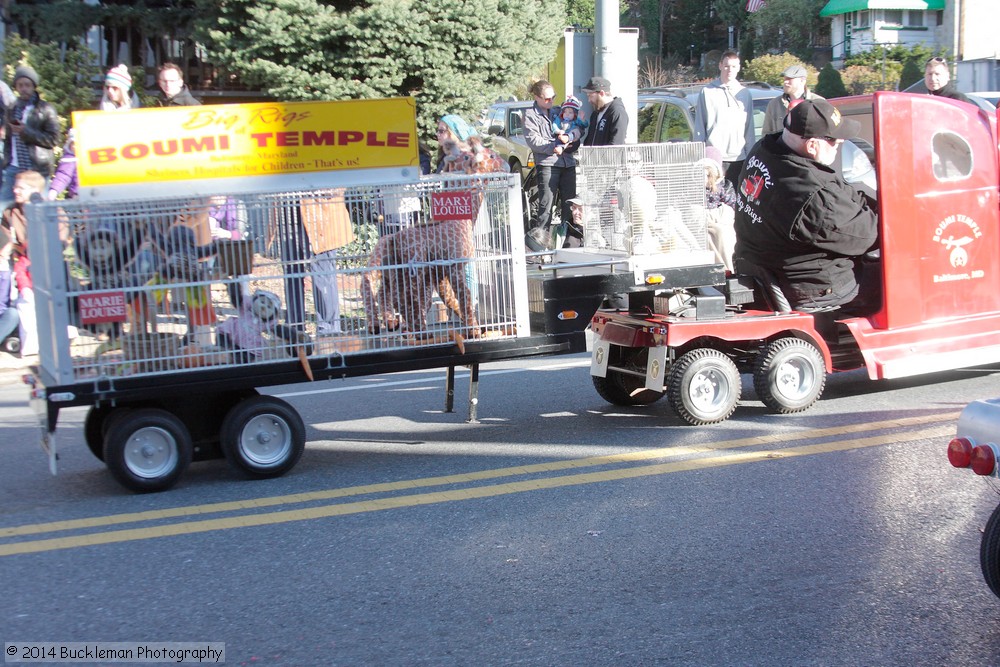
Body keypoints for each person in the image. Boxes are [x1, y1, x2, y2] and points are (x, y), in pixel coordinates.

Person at [733, 99, 880, 315]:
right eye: (835, 143)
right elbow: (868, 235)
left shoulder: (764, 150)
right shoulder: (814, 195)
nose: (839, 147)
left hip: (764, 264)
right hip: (812, 286)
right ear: (812, 145)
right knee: (893, 276)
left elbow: (841, 196)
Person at [524, 80, 578, 251]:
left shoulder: (558, 111)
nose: (551, 101)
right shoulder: (530, 115)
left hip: (567, 162)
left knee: (570, 205)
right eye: (547, 98)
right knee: (545, 206)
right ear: (537, 97)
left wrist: (570, 138)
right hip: (547, 164)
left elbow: (576, 127)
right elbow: (533, 140)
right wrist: (552, 147)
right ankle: (540, 247)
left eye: (553, 97)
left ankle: (570, 245)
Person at [1, 170, 47, 356]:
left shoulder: (50, 210)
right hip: (21, 265)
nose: (15, 190)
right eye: (15, 186)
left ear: (35, 190)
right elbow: (5, 242)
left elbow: (60, 239)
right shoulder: (10, 212)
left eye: (20, 187)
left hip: (45, 264)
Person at [1, 65, 61, 207]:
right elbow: (9, 140)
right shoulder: (12, 108)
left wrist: (25, 132)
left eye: (27, 85)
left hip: (37, 169)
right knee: (3, 208)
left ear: (34, 86)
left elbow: (54, 139)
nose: (24, 88)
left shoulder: (45, 109)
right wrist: (7, 162)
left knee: (41, 211)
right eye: (20, 85)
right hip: (14, 167)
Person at [695, 51, 755, 188]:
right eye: (727, 66)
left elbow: (749, 128)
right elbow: (699, 126)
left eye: (734, 67)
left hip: (739, 158)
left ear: (739, 68)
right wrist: (700, 156)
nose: (730, 70)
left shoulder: (744, 94)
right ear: (720, 65)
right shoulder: (707, 92)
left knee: (737, 203)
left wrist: (751, 156)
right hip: (714, 159)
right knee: (714, 203)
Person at [700, 147, 737, 272]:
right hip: (705, 221)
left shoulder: (724, 186)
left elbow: (732, 205)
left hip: (717, 220)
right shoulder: (695, 187)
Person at [761, 64, 823, 136]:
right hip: (781, 147)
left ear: (802, 81)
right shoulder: (774, 104)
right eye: (785, 79)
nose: (785, 82)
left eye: (789, 79)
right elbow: (766, 135)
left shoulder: (818, 103)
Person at [582, 76, 628, 146]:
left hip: (609, 156)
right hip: (592, 156)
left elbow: (616, 144)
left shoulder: (617, 112)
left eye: (591, 96)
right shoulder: (595, 114)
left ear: (601, 93)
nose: (589, 100)